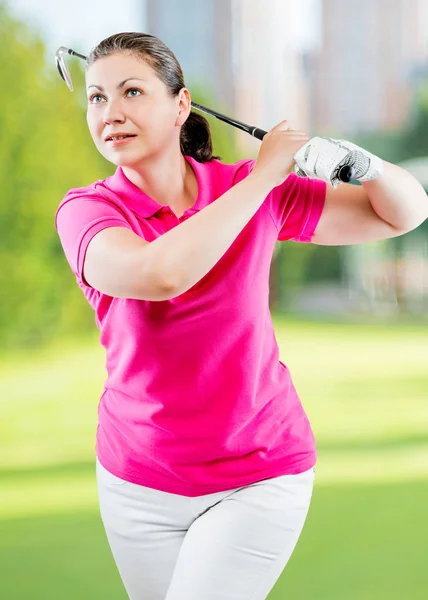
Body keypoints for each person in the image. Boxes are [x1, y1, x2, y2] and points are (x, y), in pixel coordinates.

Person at [54, 32, 427, 600]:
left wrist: (364, 164)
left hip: (259, 470)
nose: (112, 113)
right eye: (97, 98)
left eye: (132, 91)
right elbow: (160, 275)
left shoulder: (251, 191)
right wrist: (262, 177)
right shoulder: (87, 210)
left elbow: (403, 213)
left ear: (181, 106)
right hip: (137, 481)